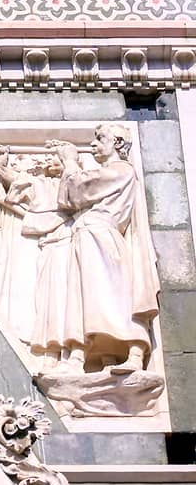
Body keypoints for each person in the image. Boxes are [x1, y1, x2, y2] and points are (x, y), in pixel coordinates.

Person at [45, 125, 160, 374]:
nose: (93, 145)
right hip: (87, 237)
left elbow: (78, 192)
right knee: (84, 299)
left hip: (103, 238)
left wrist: (70, 161)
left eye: (100, 139)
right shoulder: (107, 171)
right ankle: (80, 356)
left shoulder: (121, 170)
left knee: (112, 296)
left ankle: (135, 353)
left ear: (118, 142)